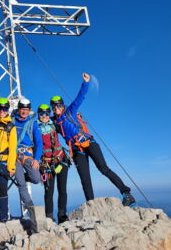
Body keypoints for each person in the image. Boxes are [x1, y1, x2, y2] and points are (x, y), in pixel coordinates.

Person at [51, 72, 136, 206]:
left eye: (59, 105)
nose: (57, 108)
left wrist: (86, 83)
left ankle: (126, 193)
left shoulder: (70, 111)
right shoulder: (54, 123)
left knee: (103, 168)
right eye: (54, 106)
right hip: (76, 149)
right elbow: (42, 123)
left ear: (63, 105)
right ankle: (91, 205)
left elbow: (80, 97)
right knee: (85, 179)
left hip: (88, 142)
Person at [37, 104, 70, 223]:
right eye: (41, 114)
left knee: (62, 189)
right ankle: (49, 216)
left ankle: (62, 214)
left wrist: (75, 117)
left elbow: (65, 122)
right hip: (46, 165)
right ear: (38, 115)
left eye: (46, 114)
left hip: (60, 160)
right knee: (48, 191)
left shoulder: (54, 124)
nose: (44, 116)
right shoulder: (35, 128)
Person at [13, 98, 43, 219]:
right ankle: (31, 209)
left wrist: (36, 159)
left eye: (26, 110)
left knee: (36, 179)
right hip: (14, 156)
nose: (24, 112)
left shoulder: (32, 124)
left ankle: (20, 177)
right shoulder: (12, 122)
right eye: (22, 109)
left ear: (29, 110)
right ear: (18, 109)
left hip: (27, 155)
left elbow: (39, 143)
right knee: (21, 185)